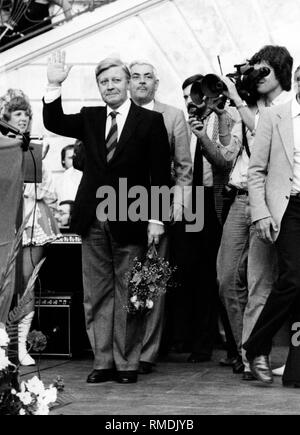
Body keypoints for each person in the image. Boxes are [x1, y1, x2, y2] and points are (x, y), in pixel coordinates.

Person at [43, 51, 171, 384]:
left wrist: (157, 219)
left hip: (132, 217)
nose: (110, 86)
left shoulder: (150, 122)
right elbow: (54, 122)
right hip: (92, 219)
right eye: (104, 82)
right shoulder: (90, 117)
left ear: (128, 83)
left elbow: (160, 175)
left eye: (116, 80)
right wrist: (54, 85)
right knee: (96, 293)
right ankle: (103, 361)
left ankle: (126, 363)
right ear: (98, 87)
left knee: (130, 292)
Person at [217, 45, 293, 380]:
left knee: (259, 283)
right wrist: (223, 110)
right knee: (225, 279)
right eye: (256, 69)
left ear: (281, 72)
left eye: (266, 70)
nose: (259, 76)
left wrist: (237, 101)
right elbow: (226, 151)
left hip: (272, 201)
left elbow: (263, 135)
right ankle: (244, 347)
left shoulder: (286, 108)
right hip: (239, 197)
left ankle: (251, 357)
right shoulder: (246, 104)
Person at [128, 60, 192, 374]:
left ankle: (146, 353)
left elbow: (184, 170)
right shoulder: (116, 114)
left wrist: (177, 206)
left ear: (157, 83)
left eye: (147, 76)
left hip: (158, 206)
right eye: (135, 76)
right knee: (124, 280)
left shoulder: (173, 116)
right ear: (128, 82)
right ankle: (123, 347)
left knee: (152, 281)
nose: (141, 81)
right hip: (117, 205)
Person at [174, 74, 238, 364]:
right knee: (188, 271)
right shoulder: (179, 124)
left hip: (215, 201)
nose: (192, 101)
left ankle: (220, 343)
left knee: (214, 274)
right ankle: (190, 338)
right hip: (187, 202)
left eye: (197, 95)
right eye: (187, 96)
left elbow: (224, 160)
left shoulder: (221, 119)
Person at [0, 88, 61, 366]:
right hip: (6, 224)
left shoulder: (35, 147)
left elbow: (49, 192)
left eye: (26, 113)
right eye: (17, 113)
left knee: (27, 284)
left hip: (31, 225)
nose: (22, 118)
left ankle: (20, 344)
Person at [56, 144, 82, 227]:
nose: (74, 160)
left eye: (76, 157)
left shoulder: (83, 175)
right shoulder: (58, 180)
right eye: (71, 158)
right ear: (63, 160)